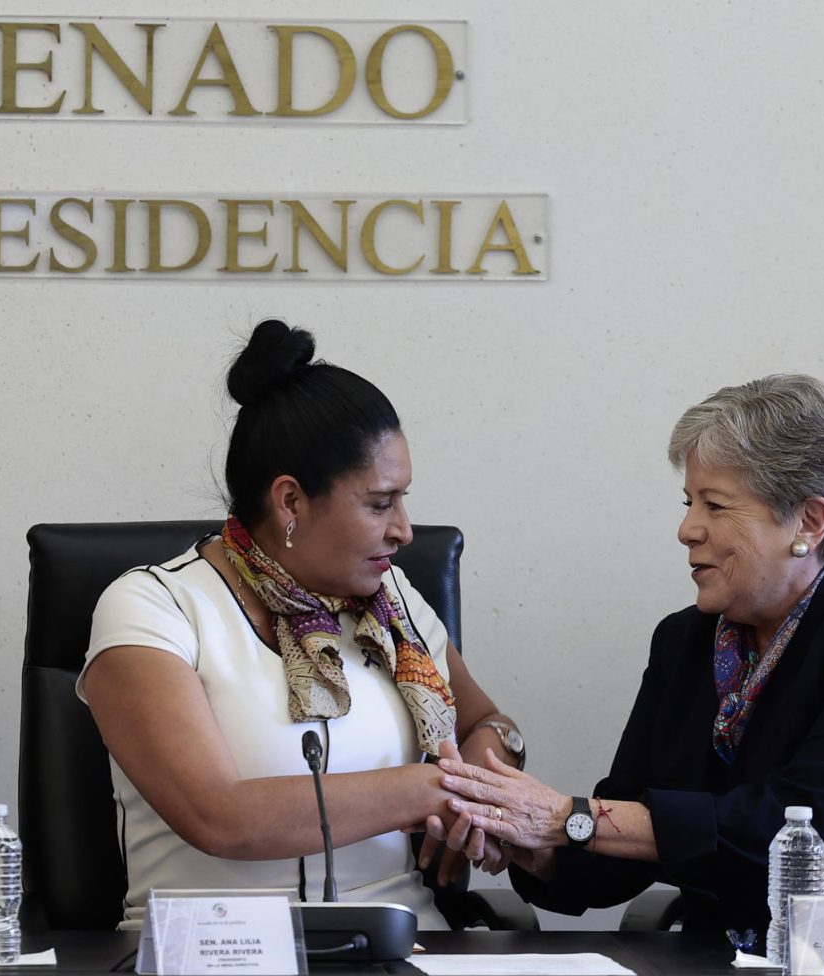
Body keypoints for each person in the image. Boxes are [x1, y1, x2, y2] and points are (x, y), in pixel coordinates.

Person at [430, 373, 824, 940]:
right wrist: (534, 843)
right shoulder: (685, 641)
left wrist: (568, 819)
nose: (687, 530)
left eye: (715, 506)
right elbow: (625, 831)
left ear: (810, 521)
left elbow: (806, 828)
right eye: (688, 502)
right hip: (740, 964)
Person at [78, 319, 525, 928]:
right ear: (290, 501)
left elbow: (489, 723)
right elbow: (220, 817)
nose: (404, 530)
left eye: (403, 498)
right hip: (211, 960)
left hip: (403, 949)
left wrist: (481, 784)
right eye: (380, 502)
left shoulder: (392, 600)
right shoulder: (154, 608)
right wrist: (432, 791)